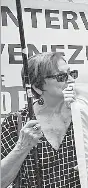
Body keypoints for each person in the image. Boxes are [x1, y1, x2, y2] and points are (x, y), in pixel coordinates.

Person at [1, 52, 79, 188]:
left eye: (72, 73)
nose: (71, 80)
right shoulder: (15, 122)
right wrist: (21, 148)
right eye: (62, 76)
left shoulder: (82, 115)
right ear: (37, 86)